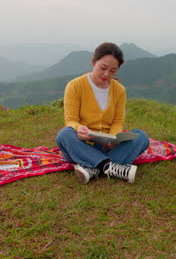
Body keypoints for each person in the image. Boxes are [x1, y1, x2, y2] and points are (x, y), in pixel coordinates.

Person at [56, 42, 150, 184]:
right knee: (64, 134)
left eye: (113, 71)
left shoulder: (119, 90)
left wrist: (112, 138)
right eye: (103, 68)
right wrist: (79, 129)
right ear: (94, 62)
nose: (106, 74)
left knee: (141, 136)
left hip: (106, 146)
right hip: (82, 144)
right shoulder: (75, 86)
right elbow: (71, 120)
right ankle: (111, 167)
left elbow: (117, 121)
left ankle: (93, 168)